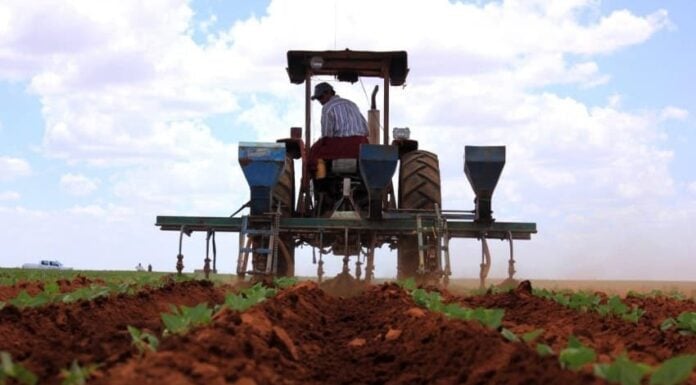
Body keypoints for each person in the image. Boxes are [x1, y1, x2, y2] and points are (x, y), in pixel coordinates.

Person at [309, 82, 369, 176]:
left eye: (321, 97)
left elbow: (327, 135)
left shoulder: (327, 107)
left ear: (329, 93)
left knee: (313, 152)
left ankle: (319, 181)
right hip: (361, 146)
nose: (320, 101)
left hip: (340, 147)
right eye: (318, 99)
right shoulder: (352, 104)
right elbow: (366, 129)